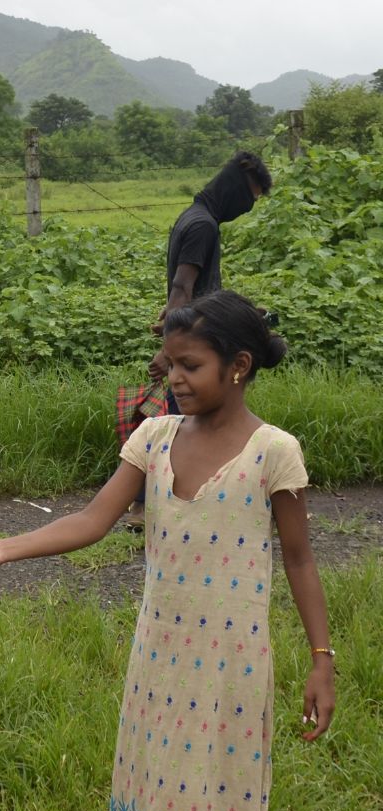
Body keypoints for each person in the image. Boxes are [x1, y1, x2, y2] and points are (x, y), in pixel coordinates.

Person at [0, 291, 334, 811]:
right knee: (172, 778)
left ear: (238, 366)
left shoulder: (273, 454)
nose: (173, 378)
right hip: (162, 652)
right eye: (169, 364)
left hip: (231, 663)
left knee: (228, 782)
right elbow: (92, 520)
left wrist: (323, 660)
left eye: (189, 365)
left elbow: (299, 559)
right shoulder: (154, 439)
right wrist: (5, 546)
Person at [124, 152, 274, 530]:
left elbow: (195, 290)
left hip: (196, 343)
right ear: (235, 189)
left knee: (181, 423)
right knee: (186, 426)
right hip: (198, 348)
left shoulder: (193, 218)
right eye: (249, 199)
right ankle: (154, 505)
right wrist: (170, 353)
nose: (246, 209)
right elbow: (182, 287)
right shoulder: (203, 225)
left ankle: (150, 504)